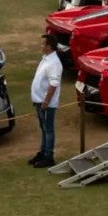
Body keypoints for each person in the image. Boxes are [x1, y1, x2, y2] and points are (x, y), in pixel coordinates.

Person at [29, 33, 62, 168]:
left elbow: (53, 84)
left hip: (46, 103)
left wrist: (46, 101)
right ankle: (43, 152)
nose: (41, 46)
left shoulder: (53, 63)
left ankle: (49, 156)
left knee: (48, 129)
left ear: (49, 47)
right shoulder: (46, 59)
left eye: (43, 44)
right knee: (43, 128)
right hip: (40, 101)